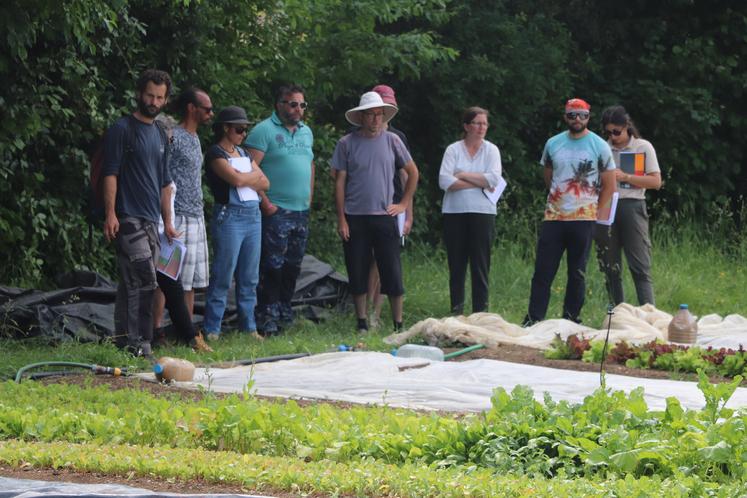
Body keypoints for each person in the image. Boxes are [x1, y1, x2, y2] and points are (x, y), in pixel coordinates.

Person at [102, 69, 178, 358]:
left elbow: (164, 181)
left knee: (131, 281)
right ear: (139, 93)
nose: (154, 101)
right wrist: (111, 213)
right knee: (145, 279)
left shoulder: (161, 132)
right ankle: (140, 343)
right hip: (127, 215)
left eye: (160, 97)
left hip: (152, 220)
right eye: (149, 95)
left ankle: (122, 340)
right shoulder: (122, 129)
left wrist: (168, 221)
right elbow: (110, 173)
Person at [332, 91, 419, 332]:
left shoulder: (393, 141)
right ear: (361, 117)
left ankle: (398, 324)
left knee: (391, 269)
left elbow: (412, 172)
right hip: (354, 215)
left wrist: (403, 204)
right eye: (370, 115)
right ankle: (361, 321)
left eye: (379, 115)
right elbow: (339, 181)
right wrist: (341, 218)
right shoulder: (346, 143)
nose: (375, 120)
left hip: (385, 215)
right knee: (357, 268)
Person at [524, 98, 616, 326]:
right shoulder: (553, 143)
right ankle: (534, 319)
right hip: (554, 217)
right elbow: (548, 174)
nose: (577, 119)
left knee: (577, 272)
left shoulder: (599, 145)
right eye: (572, 115)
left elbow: (610, 185)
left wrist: (597, 214)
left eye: (582, 115)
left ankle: (571, 318)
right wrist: (558, 197)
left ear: (588, 117)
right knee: (543, 271)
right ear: (565, 117)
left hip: (584, 218)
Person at [245, 84, 314, 336]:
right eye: (293, 104)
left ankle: (285, 313)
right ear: (280, 105)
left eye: (302, 105)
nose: (298, 109)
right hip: (276, 210)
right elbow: (248, 168)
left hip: (300, 210)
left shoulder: (306, 132)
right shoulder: (264, 131)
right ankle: (266, 318)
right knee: (271, 267)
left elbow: (310, 164)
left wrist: (309, 197)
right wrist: (266, 203)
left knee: (293, 266)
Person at [151, 87, 214, 353]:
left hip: (196, 214)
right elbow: (161, 174)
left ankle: (185, 333)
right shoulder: (173, 136)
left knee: (190, 280)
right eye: (207, 108)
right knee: (168, 276)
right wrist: (166, 217)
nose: (211, 113)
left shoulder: (195, 137)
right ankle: (156, 330)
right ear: (191, 108)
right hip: (176, 216)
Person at [202, 106, 269, 340]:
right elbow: (237, 179)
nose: (243, 134)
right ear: (225, 128)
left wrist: (246, 179)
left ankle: (249, 326)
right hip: (229, 217)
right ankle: (212, 328)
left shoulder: (243, 153)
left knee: (250, 276)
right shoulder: (215, 154)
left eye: (245, 130)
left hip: (252, 216)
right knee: (223, 273)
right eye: (239, 129)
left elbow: (266, 183)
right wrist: (250, 178)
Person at [594, 105, 661, 305]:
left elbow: (655, 182)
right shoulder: (601, 148)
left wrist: (626, 177)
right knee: (610, 266)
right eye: (608, 132)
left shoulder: (642, 147)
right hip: (606, 205)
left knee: (640, 266)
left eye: (616, 131)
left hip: (632, 204)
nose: (613, 137)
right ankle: (617, 315)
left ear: (627, 126)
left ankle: (648, 313)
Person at [438, 107, 502, 315]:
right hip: (455, 213)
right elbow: (444, 181)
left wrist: (463, 174)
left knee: (480, 264)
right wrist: (479, 182)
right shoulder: (453, 150)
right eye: (477, 123)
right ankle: (456, 311)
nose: (481, 127)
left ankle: (480, 314)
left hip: (483, 212)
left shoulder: (491, 150)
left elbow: (493, 179)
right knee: (456, 264)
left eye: (484, 123)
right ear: (466, 126)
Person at [365, 84, 413, 327]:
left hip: (392, 206)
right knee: (369, 259)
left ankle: (378, 311)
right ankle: (365, 312)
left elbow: (408, 176)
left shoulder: (397, 138)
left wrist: (408, 212)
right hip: (366, 206)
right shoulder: (358, 136)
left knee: (387, 261)